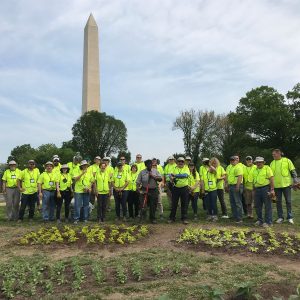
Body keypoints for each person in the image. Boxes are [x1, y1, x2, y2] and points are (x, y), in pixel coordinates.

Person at [270, 149, 298, 224]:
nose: (273, 155)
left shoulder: (287, 160)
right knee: (278, 202)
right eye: (272, 154)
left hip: (286, 185)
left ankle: (290, 217)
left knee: (288, 201)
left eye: (274, 154)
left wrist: (295, 180)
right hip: (276, 186)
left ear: (279, 154)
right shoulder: (272, 163)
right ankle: (280, 217)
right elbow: (270, 175)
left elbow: (293, 171)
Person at [251, 157, 275, 227]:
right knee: (257, 206)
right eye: (257, 162)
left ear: (263, 162)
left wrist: (272, 189)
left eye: (260, 162)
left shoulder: (267, 168)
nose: (258, 163)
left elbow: (271, 179)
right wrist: (253, 189)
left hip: (266, 188)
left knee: (268, 206)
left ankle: (268, 222)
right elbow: (253, 181)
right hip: (257, 189)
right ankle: (260, 220)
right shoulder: (254, 170)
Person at [136, 159, 162, 223]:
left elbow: (160, 179)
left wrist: (153, 176)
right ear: (146, 165)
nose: (150, 165)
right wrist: (138, 190)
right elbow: (138, 182)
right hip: (144, 189)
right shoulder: (142, 172)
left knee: (153, 205)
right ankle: (143, 218)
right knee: (143, 205)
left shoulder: (155, 171)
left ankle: (152, 218)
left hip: (154, 190)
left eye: (151, 164)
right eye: (148, 164)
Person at [168, 157, 190, 224]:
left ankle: (184, 218)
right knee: (174, 204)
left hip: (184, 188)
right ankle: (172, 218)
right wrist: (171, 177)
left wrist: (175, 175)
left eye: (182, 161)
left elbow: (185, 175)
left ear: (184, 162)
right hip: (176, 188)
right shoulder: (174, 168)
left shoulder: (186, 168)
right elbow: (170, 174)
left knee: (184, 204)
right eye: (179, 161)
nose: (180, 163)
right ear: (177, 162)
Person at [226, 156, 244, 223]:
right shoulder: (229, 167)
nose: (232, 161)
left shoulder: (238, 167)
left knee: (238, 202)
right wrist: (226, 184)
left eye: (233, 160)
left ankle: (240, 218)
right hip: (230, 185)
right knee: (232, 202)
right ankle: (235, 216)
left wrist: (237, 186)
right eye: (231, 160)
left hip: (236, 185)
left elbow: (240, 177)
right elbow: (227, 176)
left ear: (236, 161)